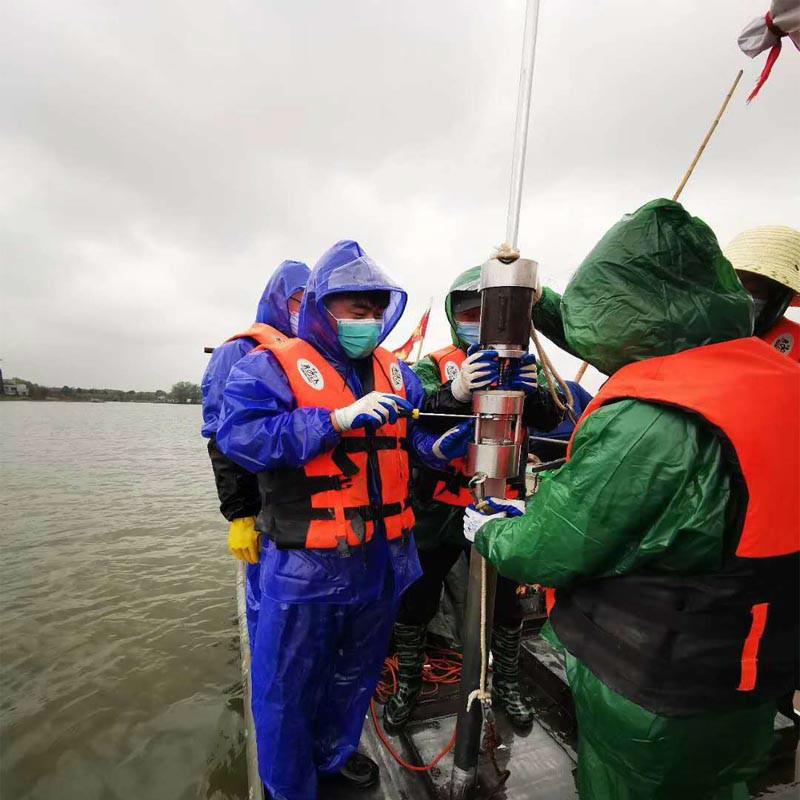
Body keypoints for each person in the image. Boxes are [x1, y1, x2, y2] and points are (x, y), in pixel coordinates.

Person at [465, 199, 799, 800]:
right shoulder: (778, 382)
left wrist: (491, 529)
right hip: (756, 666)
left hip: (660, 686)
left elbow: (551, 547)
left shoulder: (651, 422)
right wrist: (536, 303)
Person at [216, 240, 471, 800]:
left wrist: (439, 447)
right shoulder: (267, 368)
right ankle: (288, 786)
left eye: (377, 309)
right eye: (356, 309)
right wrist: (331, 419)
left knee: (355, 674)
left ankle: (333, 757)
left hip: (382, 560)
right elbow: (242, 439)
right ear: (321, 308)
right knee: (286, 685)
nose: (369, 321)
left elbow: (409, 444)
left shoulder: (399, 374)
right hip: (306, 565)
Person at [383, 265, 564, 734]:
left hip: (501, 501)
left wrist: (536, 392)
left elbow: (550, 418)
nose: (479, 321)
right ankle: (408, 684)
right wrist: (458, 391)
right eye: (468, 312)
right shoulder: (431, 364)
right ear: (453, 315)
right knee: (417, 597)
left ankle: (506, 682)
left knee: (508, 602)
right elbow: (412, 419)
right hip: (440, 506)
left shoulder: (526, 362)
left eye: (488, 313)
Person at [201, 260, 309, 646]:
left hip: (299, 503)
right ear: (277, 301)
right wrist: (240, 514)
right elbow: (221, 438)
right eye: (297, 301)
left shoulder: (309, 356)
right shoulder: (238, 353)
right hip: (262, 502)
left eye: (311, 301)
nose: (304, 310)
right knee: (265, 601)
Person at [724, 225, 800, 361]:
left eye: (752, 289)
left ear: (779, 298)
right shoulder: (695, 334)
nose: (736, 297)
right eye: (728, 286)